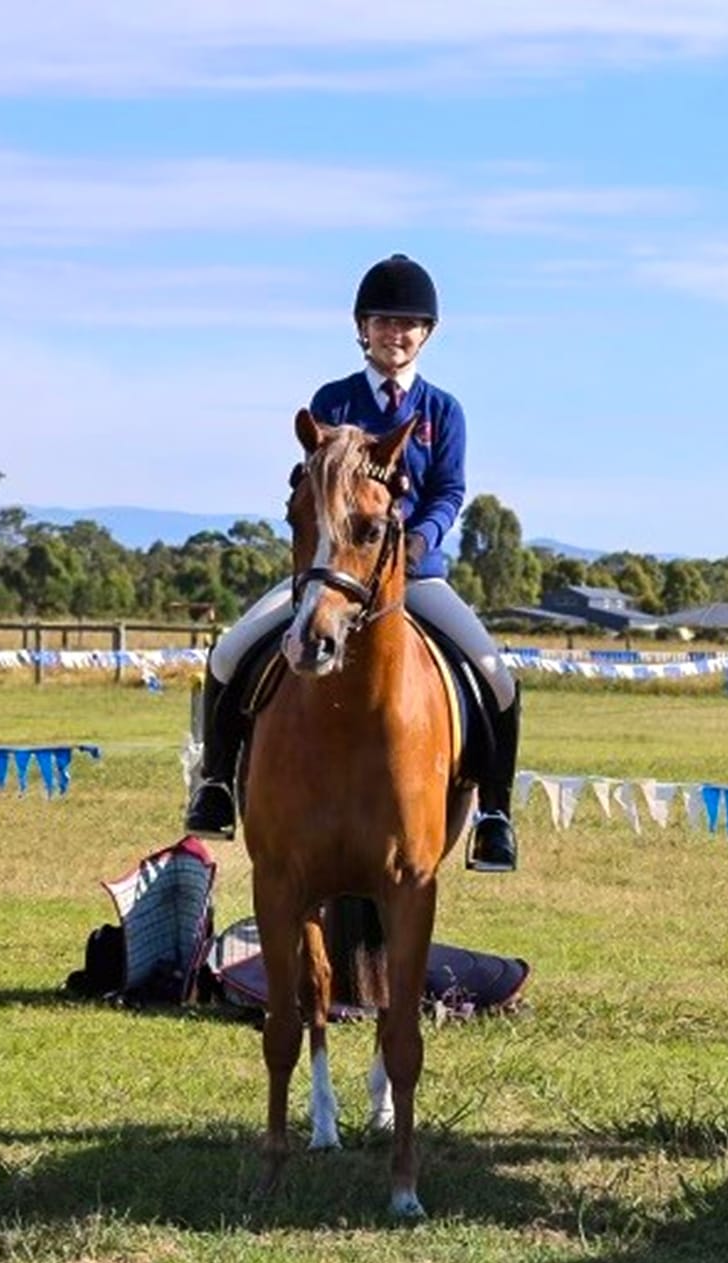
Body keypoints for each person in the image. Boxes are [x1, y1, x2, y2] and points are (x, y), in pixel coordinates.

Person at [183, 254, 523, 872]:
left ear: (427, 334)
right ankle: (215, 787)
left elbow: (449, 490)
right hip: (332, 574)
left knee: (497, 678)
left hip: (413, 577)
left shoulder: (442, 411)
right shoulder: (332, 399)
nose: (396, 334)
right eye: (383, 322)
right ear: (362, 329)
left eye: (409, 324)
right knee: (230, 653)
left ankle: (494, 816)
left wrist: (420, 539)